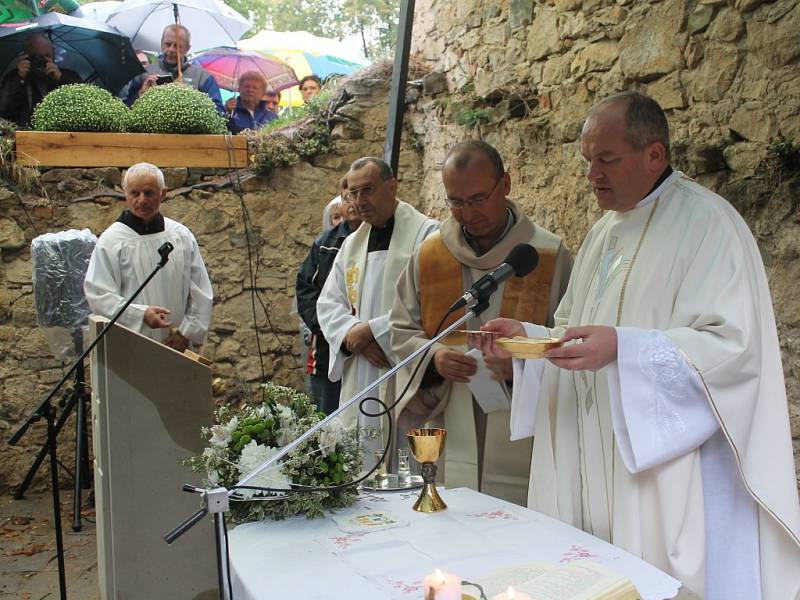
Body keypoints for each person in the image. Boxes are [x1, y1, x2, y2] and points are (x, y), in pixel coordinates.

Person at [475, 92, 800, 598]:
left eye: (607, 160)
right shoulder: (604, 233)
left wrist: (625, 350)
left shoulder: (709, 224)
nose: (592, 176)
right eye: (588, 161)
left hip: (663, 477)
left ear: (655, 155)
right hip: (593, 466)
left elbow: (733, 348)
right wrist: (530, 345)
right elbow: (575, 331)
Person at [390, 141, 572, 504]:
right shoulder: (429, 254)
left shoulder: (548, 255)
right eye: (456, 202)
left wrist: (518, 364)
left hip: (521, 418)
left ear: (505, 184)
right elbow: (401, 330)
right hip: (448, 407)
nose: (467, 214)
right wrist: (435, 358)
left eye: (477, 199)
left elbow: (569, 336)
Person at [317, 157, 438, 460]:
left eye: (367, 190)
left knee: (403, 459)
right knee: (361, 458)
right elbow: (329, 302)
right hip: (362, 367)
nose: (359, 201)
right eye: (352, 193)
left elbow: (433, 302)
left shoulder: (427, 236)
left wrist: (372, 331)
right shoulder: (351, 244)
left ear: (392, 186)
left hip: (402, 363)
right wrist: (352, 337)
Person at [84, 162, 213, 352]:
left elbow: (200, 290)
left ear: (163, 193)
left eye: (149, 193)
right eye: (135, 193)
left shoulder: (180, 236)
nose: (142, 200)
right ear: (125, 193)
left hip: (176, 344)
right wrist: (140, 315)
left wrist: (186, 333)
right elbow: (99, 295)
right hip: (131, 346)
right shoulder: (112, 241)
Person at [297, 178, 363, 414]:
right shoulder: (325, 244)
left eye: (359, 195)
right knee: (329, 423)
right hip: (328, 351)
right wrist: (334, 329)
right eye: (347, 197)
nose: (353, 203)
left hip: (372, 348)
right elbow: (306, 291)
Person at [120, 24, 224, 114]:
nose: (171, 49)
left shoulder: (203, 77)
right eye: (167, 44)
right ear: (161, 44)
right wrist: (141, 94)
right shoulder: (143, 73)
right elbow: (124, 108)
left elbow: (219, 112)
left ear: (188, 48)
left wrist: (191, 103)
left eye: (177, 46)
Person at [0, 33, 82, 127]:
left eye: (46, 56)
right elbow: (3, 110)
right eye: (35, 56)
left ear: (53, 55)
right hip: (23, 136)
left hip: (60, 135)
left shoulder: (68, 76)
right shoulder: (13, 77)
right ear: (25, 55)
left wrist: (61, 79)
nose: (40, 61)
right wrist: (19, 79)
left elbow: (84, 102)